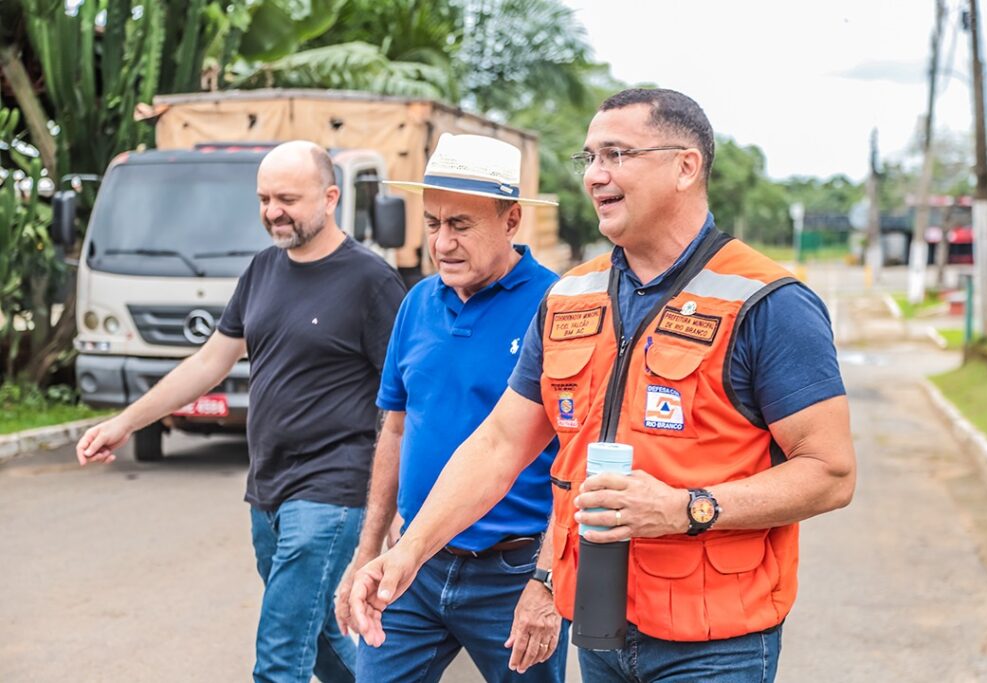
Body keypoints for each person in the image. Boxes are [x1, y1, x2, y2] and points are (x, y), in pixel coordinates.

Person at [349, 89, 857, 682]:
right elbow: (498, 446)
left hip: (716, 645)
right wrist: (406, 554)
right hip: (600, 631)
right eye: (589, 158)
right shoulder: (568, 298)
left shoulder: (768, 303)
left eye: (616, 155)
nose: (595, 176)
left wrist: (684, 509)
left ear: (685, 166)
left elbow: (831, 472)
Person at [75, 140, 406, 683]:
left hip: (332, 490)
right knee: (316, 635)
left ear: (330, 197)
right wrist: (124, 422)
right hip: (268, 488)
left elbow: (404, 403)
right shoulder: (261, 270)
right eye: (264, 198)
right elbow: (209, 362)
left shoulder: (372, 282)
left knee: (279, 657)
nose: (272, 211)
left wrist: (395, 503)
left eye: (287, 199)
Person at [333, 133, 569, 682]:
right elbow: (394, 431)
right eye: (434, 223)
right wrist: (367, 551)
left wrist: (548, 580)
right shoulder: (416, 302)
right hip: (414, 561)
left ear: (512, 221)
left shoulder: (557, 308)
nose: (442, 243)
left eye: (461, 225)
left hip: (510, 574)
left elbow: (579, 454)